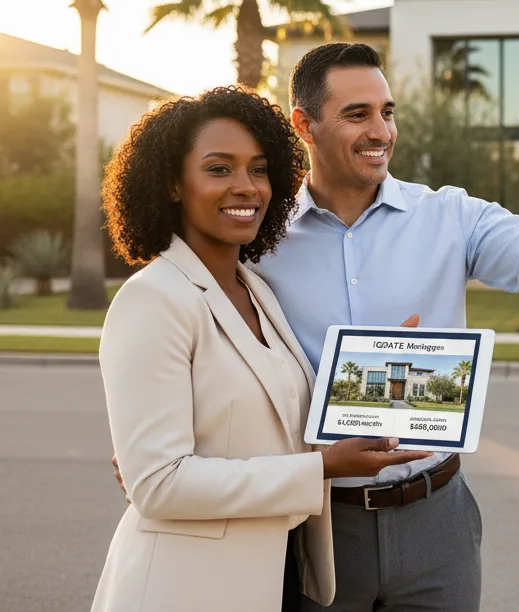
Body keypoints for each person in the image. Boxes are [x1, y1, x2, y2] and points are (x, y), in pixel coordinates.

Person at [113, 44, 519, 610]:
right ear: (303, 125)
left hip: (437, 518)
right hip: (316, 527)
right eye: (357, 114)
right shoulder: (256, 236)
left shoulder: (448, 216)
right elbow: (198, 350)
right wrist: (162, 467)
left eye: (387, 112)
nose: (380, 129)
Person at [92, 85, 431, 612]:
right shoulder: (153, 300)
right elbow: (158, 484)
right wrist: (321, 470)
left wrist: (382, 365)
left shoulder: (256, 290)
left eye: (259, 169)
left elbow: (275, 424)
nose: (246, 187)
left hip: (276, 577)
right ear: (173, 185)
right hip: (185, 587)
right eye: (219, 169)